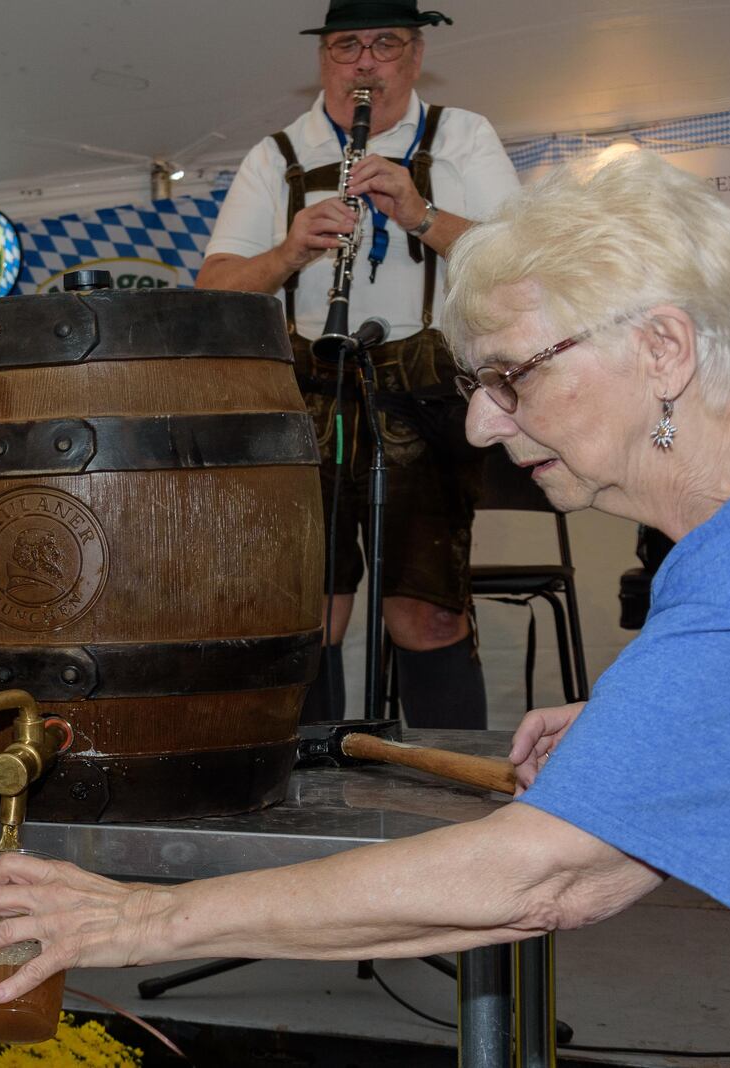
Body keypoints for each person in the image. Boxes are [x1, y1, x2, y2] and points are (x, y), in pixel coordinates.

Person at [0, 149, 730, 1000]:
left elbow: (549, 875)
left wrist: (142, 919)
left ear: (663, 347)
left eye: (511, 376)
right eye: (473, 382)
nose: (484, 425)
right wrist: (667, 724)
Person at [198, 0, 520, 728]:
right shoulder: (277, 153)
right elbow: (213, 286)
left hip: (428, 391)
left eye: (386, 44)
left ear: (415, 55)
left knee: (423, 611)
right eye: (348, 46)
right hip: (308, 388)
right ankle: (313, 784)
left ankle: (448, 794)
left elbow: (517, 262)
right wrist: (288, 252)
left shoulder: (463, 136)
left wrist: (420, 216)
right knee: (309, 613)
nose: (366, 62)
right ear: (323, 58)